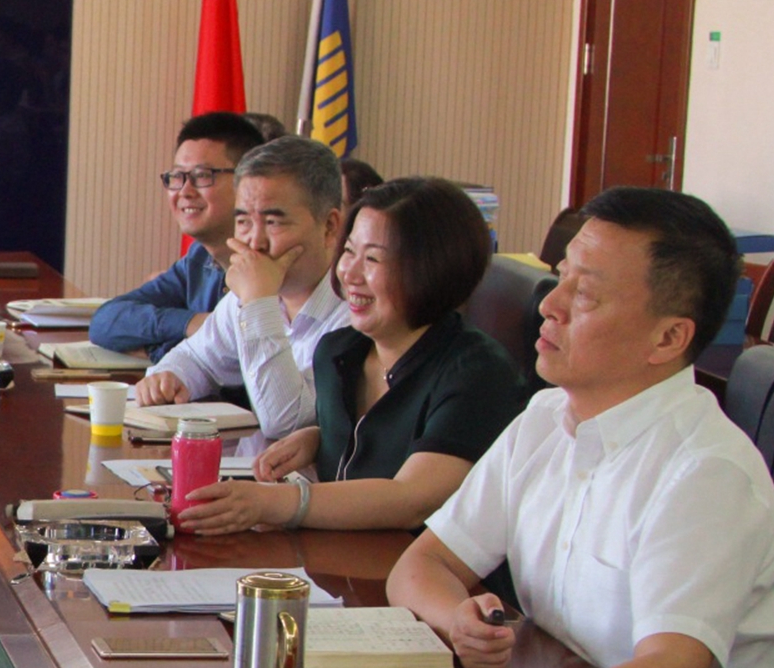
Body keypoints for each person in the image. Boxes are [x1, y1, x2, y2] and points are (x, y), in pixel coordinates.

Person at [385, 187, 774, 668]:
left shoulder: (705, 473)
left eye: (586, 295)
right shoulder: (545, 419)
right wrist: (458, 620)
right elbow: (422, 565)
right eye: (560, 277)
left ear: (668, 338)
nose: (549, 305)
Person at [176, 178, 533, 535]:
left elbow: (412, 499)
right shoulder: (340, 351)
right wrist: (321, 438)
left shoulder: (478, 372)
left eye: (373, 258)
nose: (349, 272)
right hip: (336, 558)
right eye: (348, 251)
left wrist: (273, 502)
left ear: (434, 268)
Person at [133, 135, 351, 437]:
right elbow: (197, 358)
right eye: (244, 221)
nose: (255, 243)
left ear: (329, 227)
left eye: (273, 222)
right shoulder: (249, 295)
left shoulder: (354, 310)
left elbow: (285, 423)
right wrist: (169, 377)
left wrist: (259, 302)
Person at [89, 112, 266, 360]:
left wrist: (158, 349)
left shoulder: (267, 265)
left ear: (248, 182)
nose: (184, 191)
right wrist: (192, 323)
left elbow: (235, 363)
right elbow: (106, 321)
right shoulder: (199, 259)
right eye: (177, 177)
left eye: (202, 175)